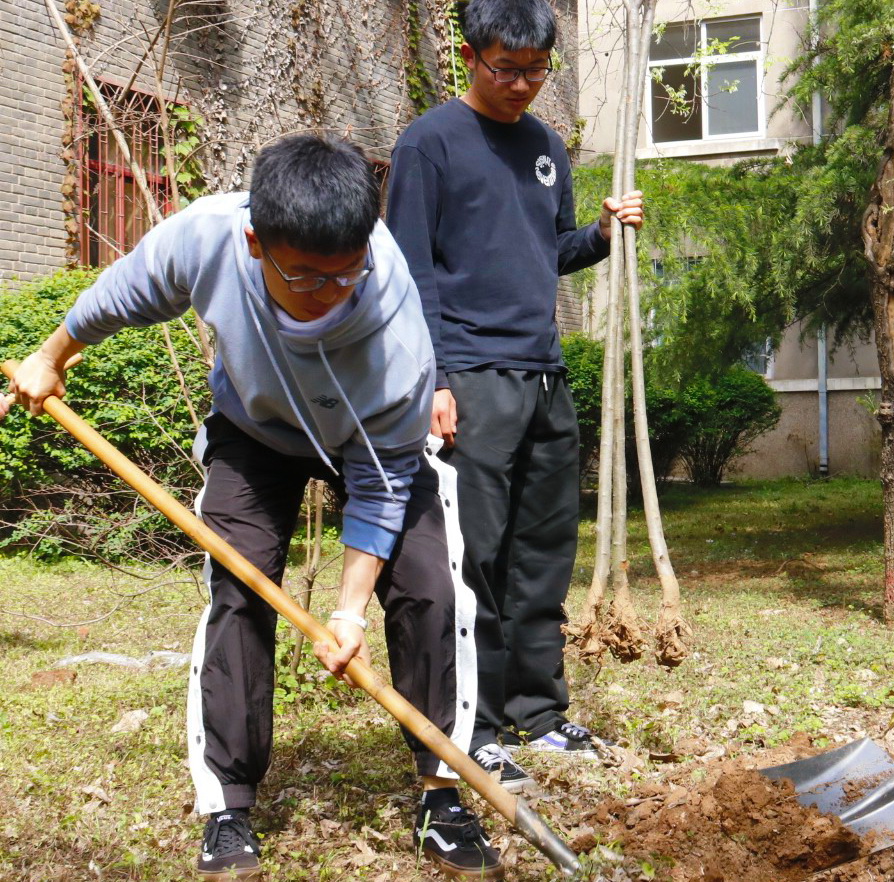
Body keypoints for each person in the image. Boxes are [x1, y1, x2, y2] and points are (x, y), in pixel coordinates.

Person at [2, 134, 505, 881]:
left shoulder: (396, 342)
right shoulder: (208, 235)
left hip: (370, 444)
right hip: (256, 427)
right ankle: (229, 807)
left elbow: (383, 484)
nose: (331, 293)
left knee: (428, 582)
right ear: (254, 242)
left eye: (347, 274)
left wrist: (346, 614)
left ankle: (441, 795)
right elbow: (122, 294)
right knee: (237, 590)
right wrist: (49, 357)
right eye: (304, 276)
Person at [385, 0, 643, 785]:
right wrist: (430, 378)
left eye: (536, 71)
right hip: (468, 378)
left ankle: (541, 713)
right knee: (476, 559)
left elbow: (546, 250)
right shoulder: (429, 143)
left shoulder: (545, 147)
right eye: (508, 69)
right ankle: (477, 724)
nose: (523, 85)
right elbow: (407, 273)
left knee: (541, 555)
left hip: (543, 375)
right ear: (471, 56)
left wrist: (598, 237)